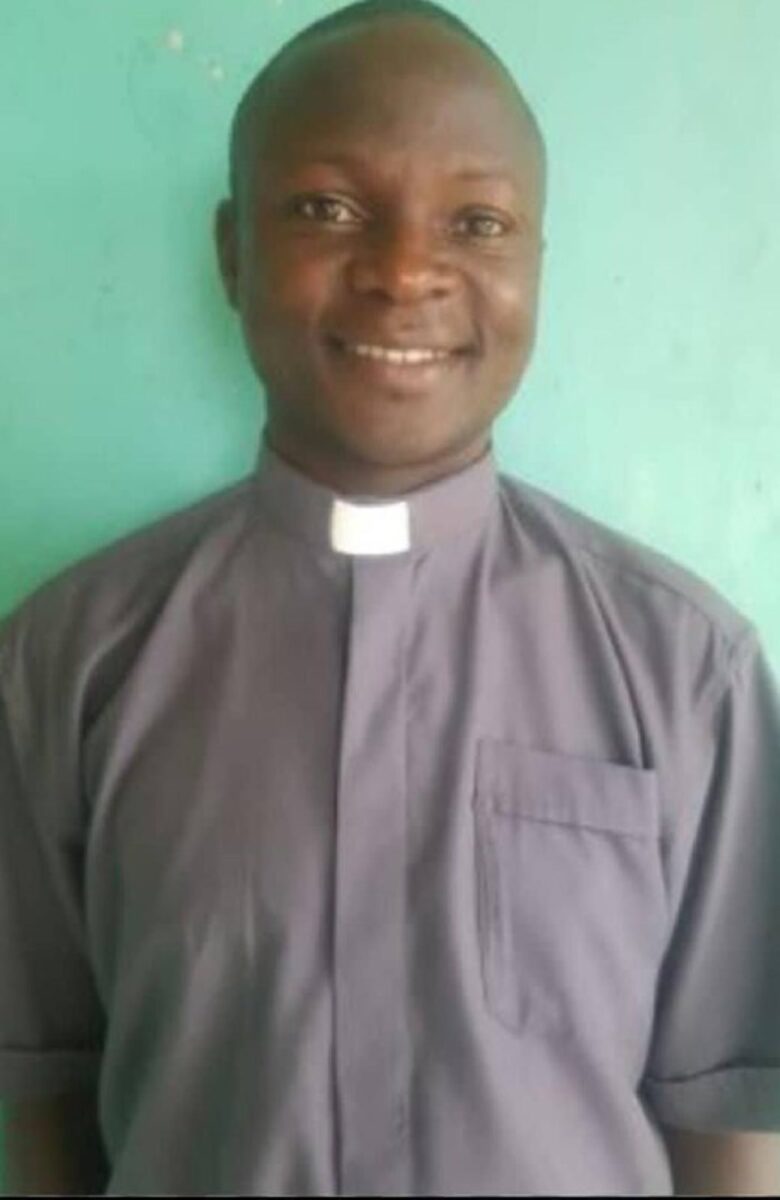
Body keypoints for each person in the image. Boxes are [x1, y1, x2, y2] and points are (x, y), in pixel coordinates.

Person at [1, 0, 779, 1193]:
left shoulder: (687, 670)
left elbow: (730, 1117)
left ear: (535, 265)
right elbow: (42, 1093)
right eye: (327, 208)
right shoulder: (68, 661)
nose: (408, 270)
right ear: (232, 252)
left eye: (478, 222)